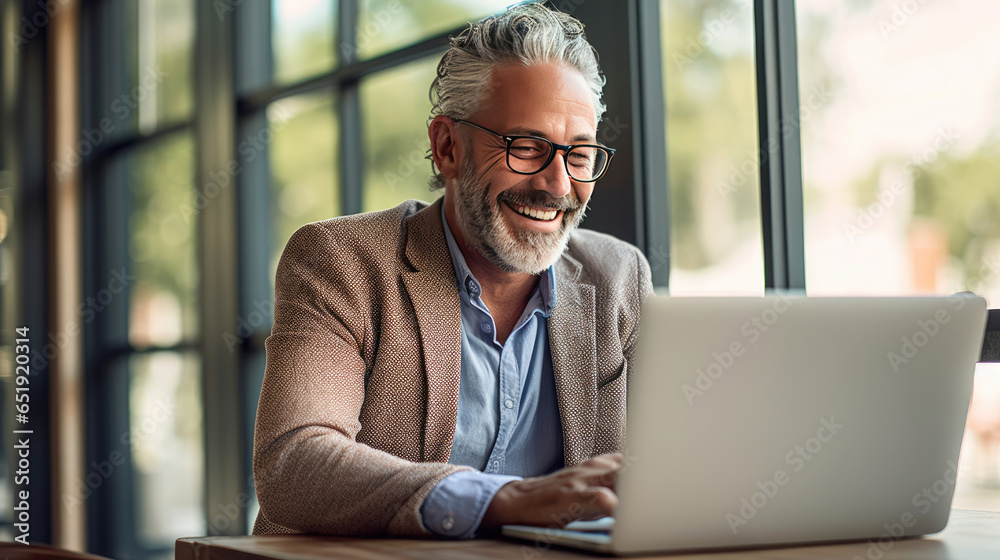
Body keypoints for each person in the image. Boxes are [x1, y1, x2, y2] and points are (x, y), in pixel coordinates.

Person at [252, 3, 653, 539]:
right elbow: (294, 464)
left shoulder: (618, 277)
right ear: (447, 147)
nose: (558, 185)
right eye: (527, 147)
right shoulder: (340, 260)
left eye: (578, 155)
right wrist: (505, 499)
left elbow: (673, 468)